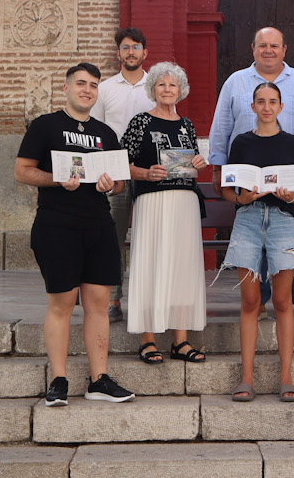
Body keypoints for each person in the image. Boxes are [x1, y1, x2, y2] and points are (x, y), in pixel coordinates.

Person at [14, 63, 135, 405]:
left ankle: (99, 380)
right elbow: (22, 171)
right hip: (57, 226)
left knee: (98, 304)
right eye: (80, 83)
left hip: (98, 225)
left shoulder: (106, 133)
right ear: (66, 88)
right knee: (62, 304)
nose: (87, 90)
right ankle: (59, 379)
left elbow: (120, 181)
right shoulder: (46, 126)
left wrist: (112, 186)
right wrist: (56, 180)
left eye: (93, 85)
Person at [208, 27, 294, 320]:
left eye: (274, 45)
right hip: (247, 174)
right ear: (253, 48)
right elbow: (221, 126)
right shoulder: (236, 82)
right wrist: (217, 168)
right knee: (252, 237)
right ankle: (259, 299)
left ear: (285, 49)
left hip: (289, 174)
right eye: (262, 45)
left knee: (293, 236)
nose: (268, 50)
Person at [220, 82, 294, 402]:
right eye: (261, 101)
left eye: (273, 101)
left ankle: (286, 377)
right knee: (250, 302)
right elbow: (225, 190)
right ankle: (247, 378)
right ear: (253, 107)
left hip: (283, 222)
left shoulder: (292, 143)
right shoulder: (241, 143)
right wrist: (241, 196)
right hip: (247, 220)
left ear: (281, 107)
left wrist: (291, 195)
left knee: (284, 302)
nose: (267, 107)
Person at [121, 61, 208, 364]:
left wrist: (198, 163)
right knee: (151, 263)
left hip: (184, 203)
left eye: (172, 85)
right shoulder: (140, 123)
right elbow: (122, 163)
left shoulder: (187, 125)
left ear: (180, 90)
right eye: (162, 85)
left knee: (182, 268)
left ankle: (180, 341)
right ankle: (148, 339)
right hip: (153, 201)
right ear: (153, 89)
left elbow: (191, 160)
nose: (167, 89)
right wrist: (145, 173)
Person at [90, 28, 155, 323]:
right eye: (126, 48)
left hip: (149, 170)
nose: (131, 52)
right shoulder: (105, 89)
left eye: (136, 47)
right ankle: (113, 298)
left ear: (145, 52)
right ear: (118, 54)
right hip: (114, 169)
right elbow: (98, 131)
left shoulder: (155, 87)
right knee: (112, 237)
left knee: (148, 236)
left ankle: (147, 298)